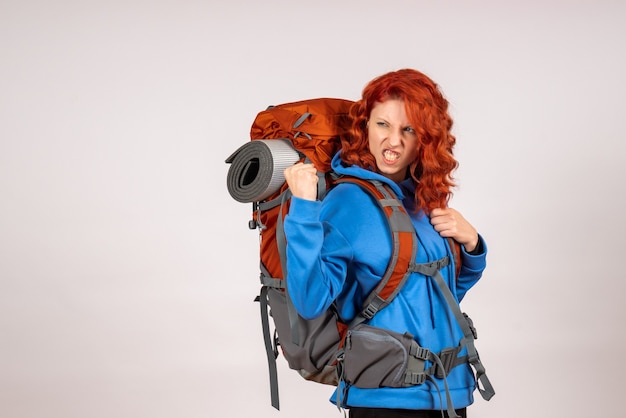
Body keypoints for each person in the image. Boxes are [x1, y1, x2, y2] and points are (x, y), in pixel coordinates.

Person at [282, 68, 487, 418]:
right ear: (364, 127)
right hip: (386, 401)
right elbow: (309, 299)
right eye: (383, 125)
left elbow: (440, 295)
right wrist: (302, 210)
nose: (394, 141)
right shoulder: (348, 201)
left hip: (449, 395)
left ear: (427, 138)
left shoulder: (422, 198)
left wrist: (472, 247)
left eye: (408, 129)